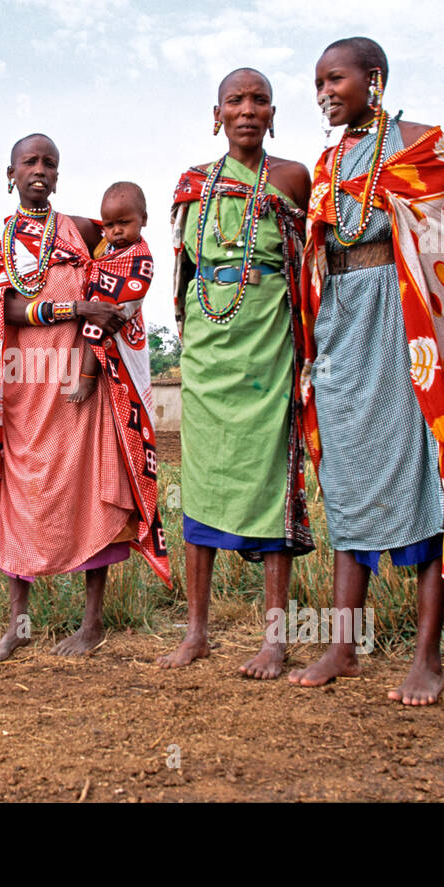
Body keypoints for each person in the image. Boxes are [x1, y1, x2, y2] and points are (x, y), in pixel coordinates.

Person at [290, 38, 444, 703]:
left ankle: (427, 656)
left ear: (374, 78)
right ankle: (344, 645)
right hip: (341, 325)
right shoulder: (330, 161)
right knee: (345, 475)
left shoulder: (426, 146)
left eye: (334, 77)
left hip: (407, 323)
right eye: (317, 81)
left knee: (424, 477)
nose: (324, 91)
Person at [0, 134, 170, 662]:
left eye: (50, 162)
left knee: (90, 490)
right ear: (12, 173)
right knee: (20, 498)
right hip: (25, 384)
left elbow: (128, 261)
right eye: (31, 162)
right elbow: (5, 310)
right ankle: (17, 625)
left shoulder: (83, 230)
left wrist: (101, 325)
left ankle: (91, 624)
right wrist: (76, 312)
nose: (40, 170)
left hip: (79, 384)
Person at [157, 68, 315, 678]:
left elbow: (307, 262)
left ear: (273, 112)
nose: (247, 109)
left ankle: (275, 638)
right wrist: (192, 330)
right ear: (217, 112)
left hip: (268, 337)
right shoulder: (194, 183)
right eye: (235, 100)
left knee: (266, 476)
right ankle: (196, 630)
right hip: (206, 339)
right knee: (199, 478)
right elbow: (186, 270)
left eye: (259, 100)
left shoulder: (292, 178)